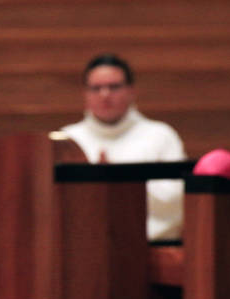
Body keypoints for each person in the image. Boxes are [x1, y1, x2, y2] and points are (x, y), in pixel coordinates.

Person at [56, 53, 186, 241]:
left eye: (114, 87)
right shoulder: (67, 139)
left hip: (152, 248)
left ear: (131, 91)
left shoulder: (160, 135)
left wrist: (119, 182)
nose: (105, 95)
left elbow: (176, 200)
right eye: (96, 88)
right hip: (81, 249)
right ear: (85, 93)